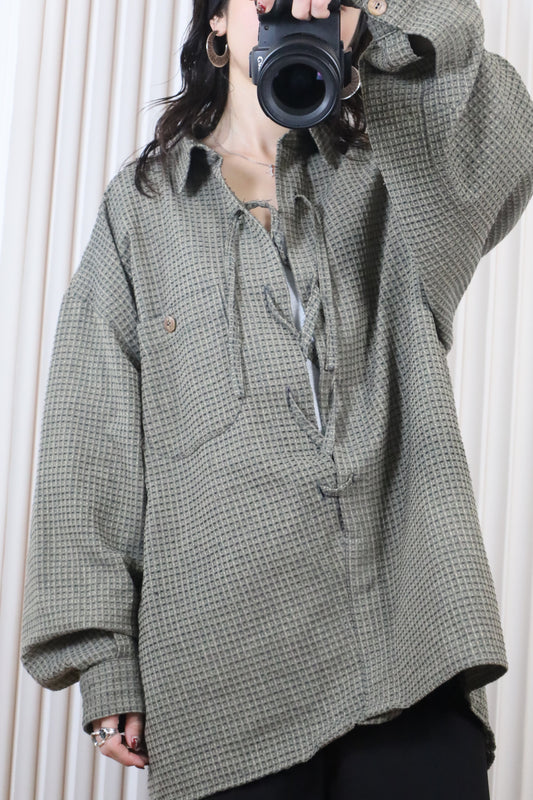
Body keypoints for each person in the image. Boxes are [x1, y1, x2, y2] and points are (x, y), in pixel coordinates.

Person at [20, 0, 533, 798]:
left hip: (410, 654)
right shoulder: (142, 210)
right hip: (225, 680)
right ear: (218, 23)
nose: (297, 9)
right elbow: (89, 438)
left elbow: (500, 133)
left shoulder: (399, 180)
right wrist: (104, 658)